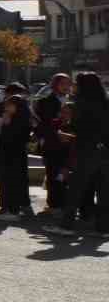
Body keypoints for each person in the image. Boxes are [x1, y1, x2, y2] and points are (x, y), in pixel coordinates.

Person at [48, 71, 108, 235]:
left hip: (87, 151)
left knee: (75, 188)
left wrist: (66, 132)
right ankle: (103, 227)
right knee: (103, 191)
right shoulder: (104, 102)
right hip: (104, 152)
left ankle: (66, 225)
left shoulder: (81, 103)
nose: (74, 86)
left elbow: (80, 128)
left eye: (76, 83)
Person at [35, 73, 72, 215]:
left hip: (71, 144)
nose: (67, 86)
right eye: (63, 83)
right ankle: (54, 205)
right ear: (55, 84)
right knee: (53, 175)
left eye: (68, 83)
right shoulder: (46, 102)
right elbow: (41, 124)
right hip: (53, 145)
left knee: (67, 176)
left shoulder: (73, 101)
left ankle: (67, 206)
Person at [0, 83, 34, 221]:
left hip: (11, 151)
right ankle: (18, 206)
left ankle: (12, 209)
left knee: (11, 180)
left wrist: (7, 119)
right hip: (14, 151)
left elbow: (9, 134)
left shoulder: (18, 117)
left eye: (8, 104)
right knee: (15, 179)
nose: (6, 106)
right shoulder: (20, 113)